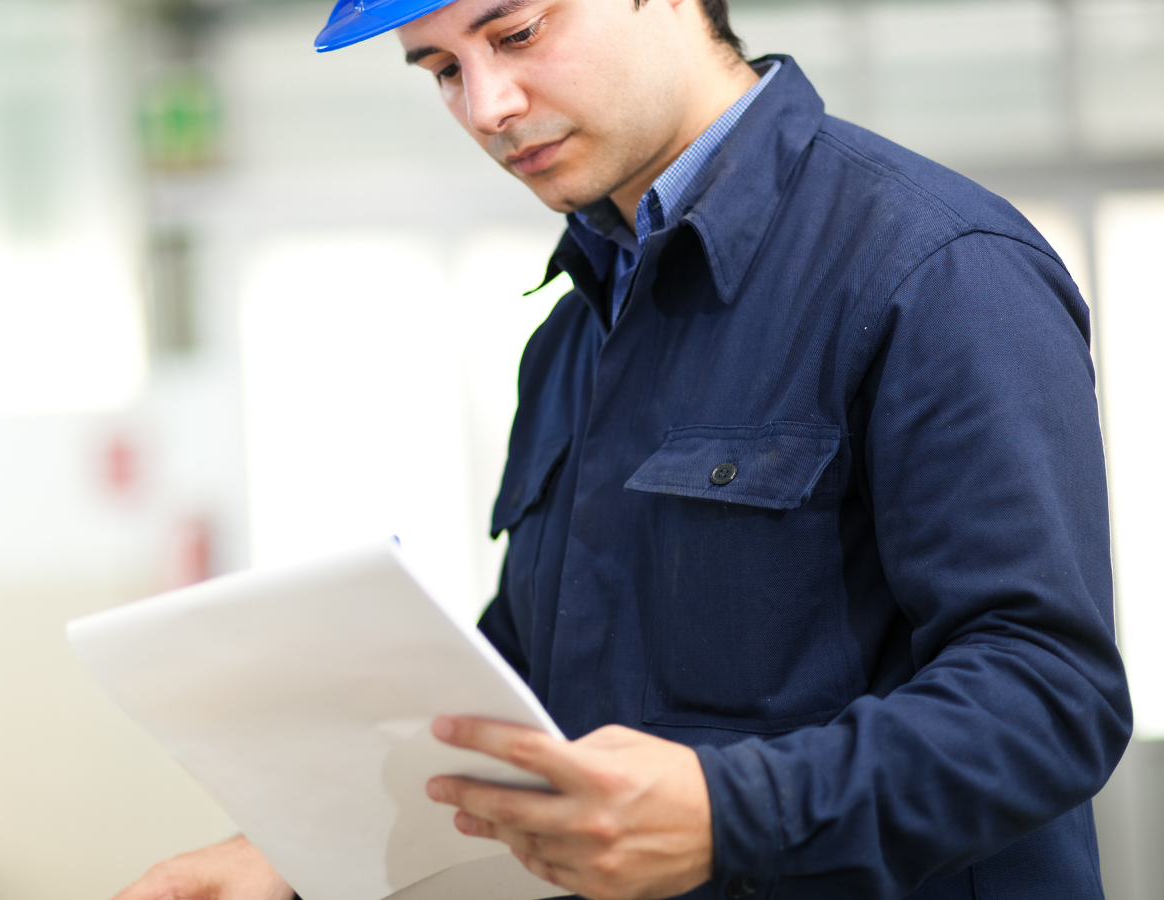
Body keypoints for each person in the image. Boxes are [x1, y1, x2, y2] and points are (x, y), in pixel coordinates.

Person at [113, 0, 1132, 898]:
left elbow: (1047, 699)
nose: (487, 107)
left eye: (514, 33)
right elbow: (526, 685)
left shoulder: (934, 268)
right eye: (442, 70)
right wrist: (293, 855)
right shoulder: (572, 337)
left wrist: (731, 811)